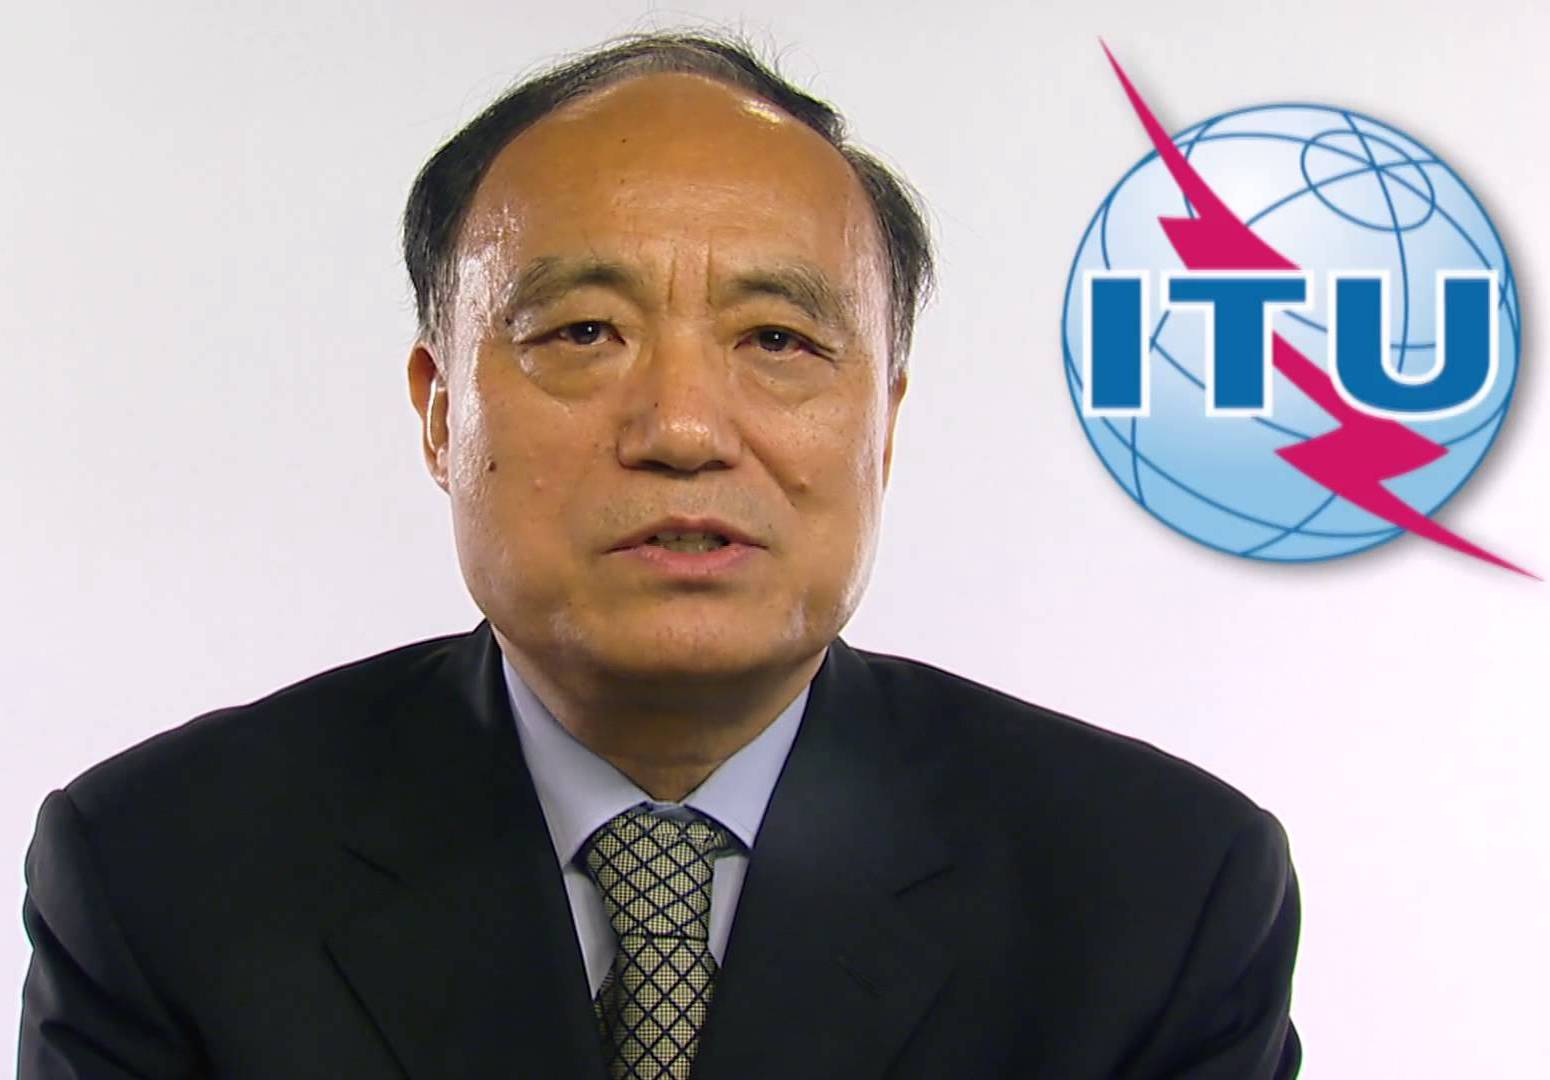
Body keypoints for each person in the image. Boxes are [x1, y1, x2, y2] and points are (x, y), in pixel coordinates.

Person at [17, 30, 1302, 1079]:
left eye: (777, 341)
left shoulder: (1157, 895)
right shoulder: (161, 874)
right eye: (583, 332)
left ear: (884, 425)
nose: (683, 429)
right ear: (440, 412)